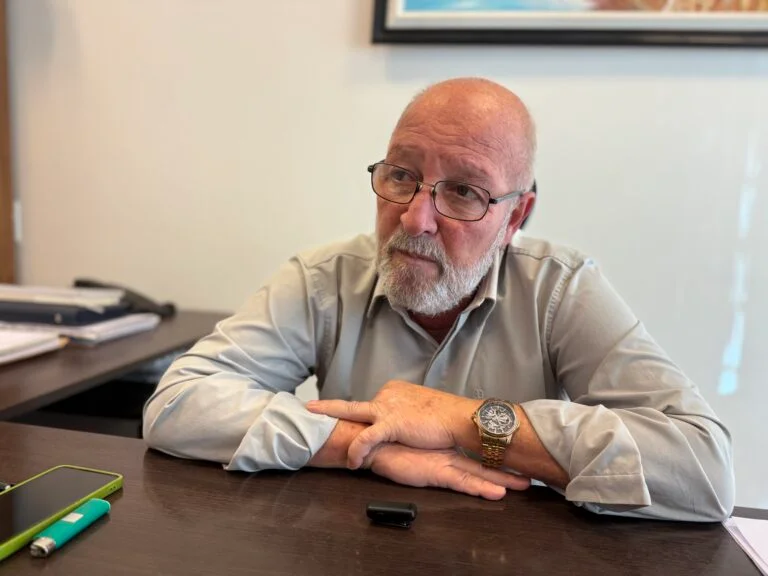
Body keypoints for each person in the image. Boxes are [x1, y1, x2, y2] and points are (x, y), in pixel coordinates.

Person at [143, 77, 734, 522]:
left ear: (515, 218)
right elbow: (177, 404)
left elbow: (703, 469)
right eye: (401, 175)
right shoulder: (324, 278)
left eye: (463, 191)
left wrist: (462, 421)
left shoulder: (561, 289)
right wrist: (360, 445)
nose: (415, 218)